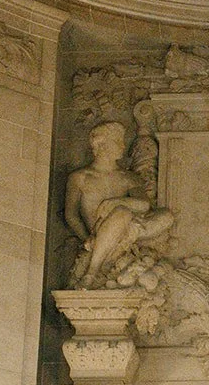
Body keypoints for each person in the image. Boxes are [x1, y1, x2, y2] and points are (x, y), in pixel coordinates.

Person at [64, 120, 174, 288]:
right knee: (122, 213)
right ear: (101, 145)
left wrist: (116, 202)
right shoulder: (80, 178)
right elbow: (71, 215)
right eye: (118, 141)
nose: (123, 146)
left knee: (166, 216)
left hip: (129, 228)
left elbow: (145, 205)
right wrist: (87, 238)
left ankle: (113, 252)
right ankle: (91, 272)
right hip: (98, 229)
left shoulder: (128, 177)